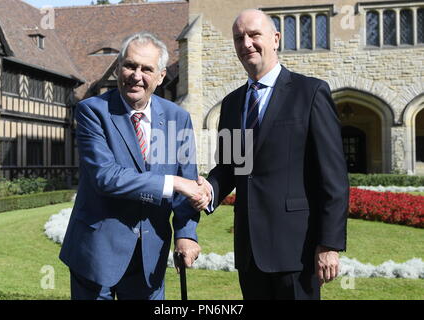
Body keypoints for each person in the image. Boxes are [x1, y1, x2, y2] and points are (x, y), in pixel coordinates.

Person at [195, 9, 349, 300]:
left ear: (275, 39)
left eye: (254, 35)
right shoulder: (231, 104)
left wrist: (329, 243)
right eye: (239, 38)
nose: (247, 44)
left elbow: (334, 177)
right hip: (250, 251)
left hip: (297, 251)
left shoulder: (311, 92)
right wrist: (209, 188)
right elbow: (231, 166)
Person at [60, 32, 210, 300]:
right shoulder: (92, 111)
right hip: (96, 254)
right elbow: (106, 177)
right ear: (118, 68)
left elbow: (188, 182)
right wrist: (172, 183)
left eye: (147, 69)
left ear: (161, 76)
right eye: (130, 65)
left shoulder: (178, 118)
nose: (136, 75)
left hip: (149, 259)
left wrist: (187, 234)